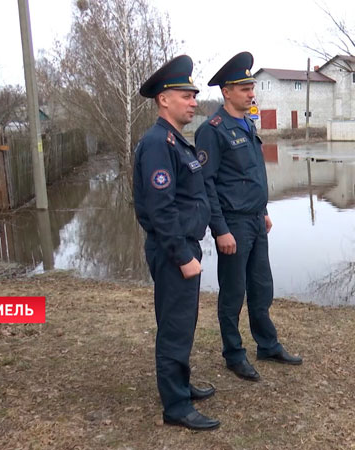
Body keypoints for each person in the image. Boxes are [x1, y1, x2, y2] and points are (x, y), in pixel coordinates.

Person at [195, 52, 302, 382]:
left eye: (252, 87)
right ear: (227, 92)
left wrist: (264, 211)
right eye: (244, 88)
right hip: (233, 224)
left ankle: (267, 344)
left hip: (255, 220)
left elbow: (252, 174)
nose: (252, 93)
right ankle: (233, 353)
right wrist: (221, 229)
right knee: (233, 292)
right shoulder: (212, 130)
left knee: (261, 286)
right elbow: (206, 184)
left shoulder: (247, 124)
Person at [133, 55, 219, 431]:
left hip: (183, 246)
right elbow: (160, 209)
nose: (193, 101)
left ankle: (179, 385)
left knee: (183, 322)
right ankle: (176, 407)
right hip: (174, 251)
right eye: (186, 95)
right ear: (164, 99)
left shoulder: (175, 142)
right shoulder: (157, 144)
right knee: (175, 326)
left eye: (194, 95)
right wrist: (183, 255)